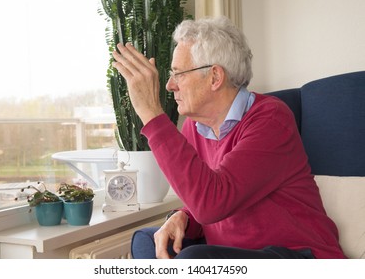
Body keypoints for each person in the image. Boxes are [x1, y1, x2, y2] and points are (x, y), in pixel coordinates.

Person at [111, 16, 345, 259]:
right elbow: (208, 200)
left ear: (215, 77)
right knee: (147, 241)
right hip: (238, 254)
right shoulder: (194, 127)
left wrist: (151, 113)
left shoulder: (270, 119)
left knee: (194, 260)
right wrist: (184, 216)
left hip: (299, 255)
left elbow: (213, 202)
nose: (170, 85)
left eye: (178, 74)